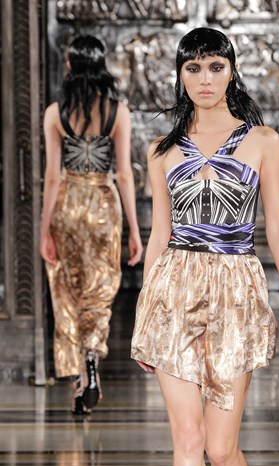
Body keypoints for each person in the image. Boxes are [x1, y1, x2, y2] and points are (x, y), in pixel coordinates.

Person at [131, 27, 279, 466]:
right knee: (186, 439)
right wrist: (144, 312)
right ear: (180, 76)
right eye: (193, 68)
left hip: (236, 292)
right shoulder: (161, 149)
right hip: (174, 293)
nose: (204, 79)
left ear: (231, 70)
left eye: (214, 66)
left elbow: (275, 225)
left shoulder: (263, 141)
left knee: (221, 448)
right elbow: (158, 235)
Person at [40, 35, 143, 414]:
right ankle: (91, 359)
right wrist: (134, 229)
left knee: (67, 286)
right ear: (102, 66)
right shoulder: (119, 112)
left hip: (67, 202)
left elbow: (52, 176)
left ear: (69, 65)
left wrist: (44, 229)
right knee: (100, 286)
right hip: (103, 202)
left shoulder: (56, 113)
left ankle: (76, 381)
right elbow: (125, 175)